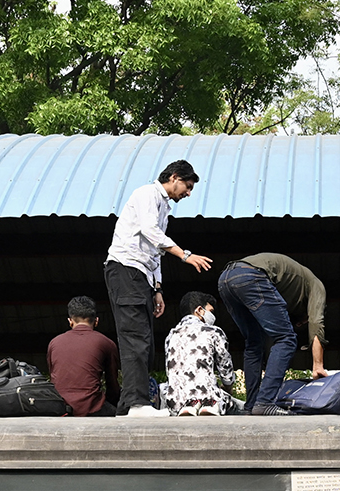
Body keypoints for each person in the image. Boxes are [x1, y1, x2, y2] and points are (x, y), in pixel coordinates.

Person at [104, 160, 212, 417]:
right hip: (125, 268)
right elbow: (150, 232)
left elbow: (154, 252)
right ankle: (136, 404)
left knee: (145, 341)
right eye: (187, 186)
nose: (188, 193)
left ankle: (127, 405)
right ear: (174, 177)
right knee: (135, 338)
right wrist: (185, 255)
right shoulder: (146, 194)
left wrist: (158, 289)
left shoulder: (164, 208)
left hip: (142, 275)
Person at [217, 252, 328, 413]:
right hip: (251, 275)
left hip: (225, 279)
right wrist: (318, 365)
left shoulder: (287, 289)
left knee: (254, 342)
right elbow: (316, 323)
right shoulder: (316, 285)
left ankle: (252, 405)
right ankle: (265, 401)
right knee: (286, 339)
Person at [47, 296, 121, 418]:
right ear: (96, 321)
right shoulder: (106, 342)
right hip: (92, 407)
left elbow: (54, 377)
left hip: (61, 408)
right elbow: (112, 384)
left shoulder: (54, 343)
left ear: (70, 321)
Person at [161, 291, 234, 416]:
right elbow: (225, 370)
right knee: (237, 406)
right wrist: (228, 387)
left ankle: (188, 407)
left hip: (176, 403)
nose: (212, 315)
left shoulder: (171, 335)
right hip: (207, 397)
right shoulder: (213, 332)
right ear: (199, 310)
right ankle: (209, 405)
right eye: (210, 311)